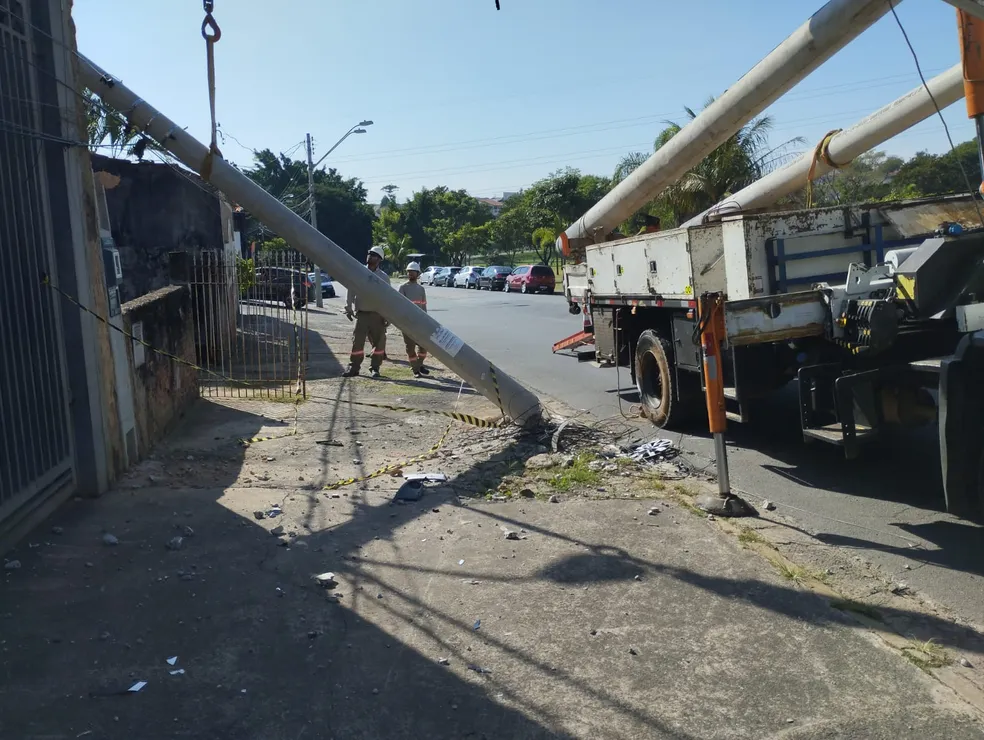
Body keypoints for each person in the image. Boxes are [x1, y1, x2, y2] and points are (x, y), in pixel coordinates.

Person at [342, 246, 389, 378]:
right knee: (357, 342)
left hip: (377, 314)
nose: (370, 256)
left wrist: (388, 316)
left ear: (379, 259)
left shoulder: (383, 277)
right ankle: (354, 368)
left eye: (373, 255)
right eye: (369, 253)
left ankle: (375, 368)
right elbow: (351, 290)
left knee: (379, 343)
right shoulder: (358, 272)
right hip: (362, 314)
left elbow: (388, 298)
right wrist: (348, 306)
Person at [398, 262, 431, 378]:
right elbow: (399, 306)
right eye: (409, 271)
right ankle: (415, 370)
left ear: (418, 274)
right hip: (407, 323)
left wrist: (426, 321)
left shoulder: (421, 289)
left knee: (424, 347)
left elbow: (423, 307)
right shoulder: (403, 288)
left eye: (413, 271)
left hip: (420, 323)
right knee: (410, 348)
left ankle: (419, 365)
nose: (410, 273)